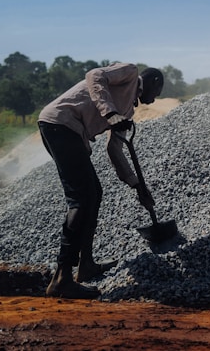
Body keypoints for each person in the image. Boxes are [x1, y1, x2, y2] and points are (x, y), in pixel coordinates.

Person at [38, 63, 164, 298]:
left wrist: (137, 185)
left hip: (72, 132)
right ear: (154, 82)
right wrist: (109, 112)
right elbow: (94, 75)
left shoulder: (128, 112)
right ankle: (61, 278)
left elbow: (115, 149)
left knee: (94, 194)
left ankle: (85, 265)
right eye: (157, 93)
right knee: (81, 199)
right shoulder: (130, 72)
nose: (155, 100)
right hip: (60, 123)